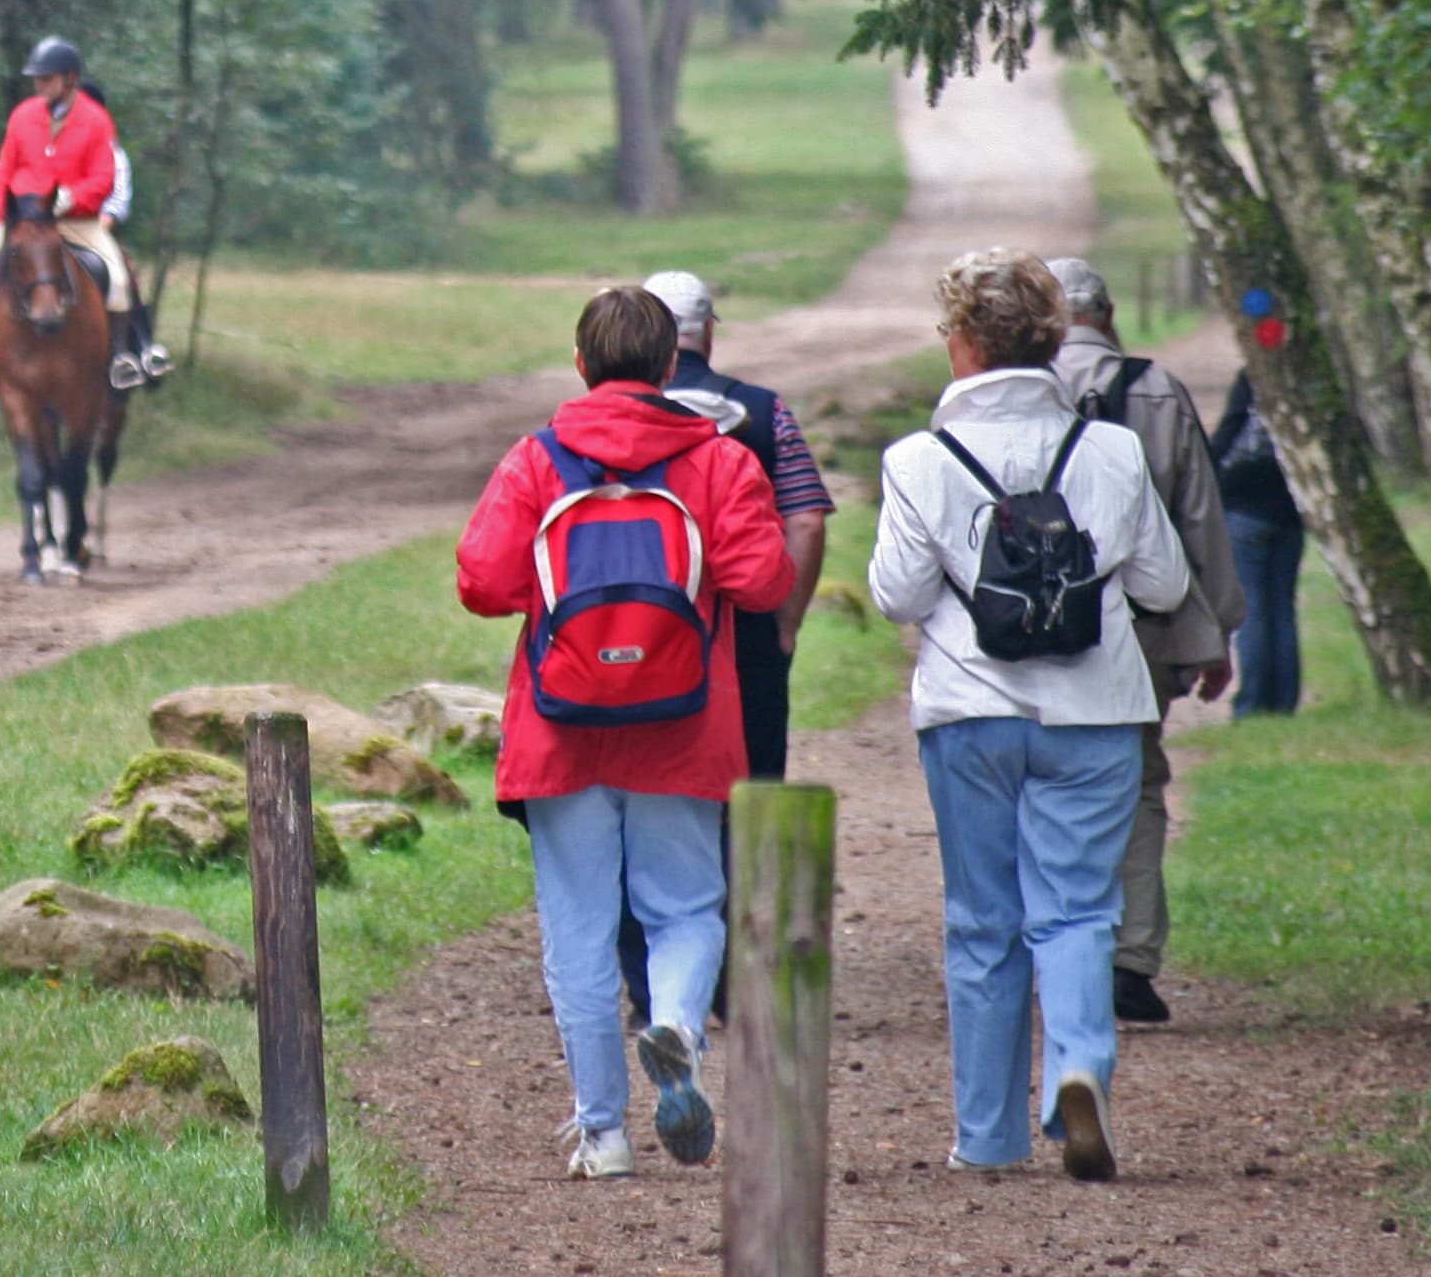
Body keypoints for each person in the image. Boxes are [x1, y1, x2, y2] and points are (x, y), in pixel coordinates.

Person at [456, 286, 796, 1180]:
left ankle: (602, 1135)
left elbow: (483, 584)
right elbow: (762, 583)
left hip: (559, 728)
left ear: (580, 364)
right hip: (684, 725)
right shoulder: (719, 461)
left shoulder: (537, 460)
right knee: (685, 908)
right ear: (667, 367)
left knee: (577, 928)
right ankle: (679, 1023)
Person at [871, 248, 1191, 1181]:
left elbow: (896, 595)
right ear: (1049, 340)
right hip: (1096, 709)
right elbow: (1165, 583)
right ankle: (1079, 1070)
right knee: (1082, 910)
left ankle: (987, 1135)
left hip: (971, 710)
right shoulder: (1114, 451)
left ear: (963, 343)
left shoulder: (918, 460)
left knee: (983, 921)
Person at [614, 269, 834, 1022]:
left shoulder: (604, 416)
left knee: (637, 796)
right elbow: (804, 520)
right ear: (709, 331)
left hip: (632, 644)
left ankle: (648, 978)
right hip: (744, 639)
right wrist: (787, 618)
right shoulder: (765, 414)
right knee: (749, 796)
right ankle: (737, 970)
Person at [1044, 257, 1246, 1026]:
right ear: (1109, 312)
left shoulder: (1014, 388)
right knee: (1132, 783)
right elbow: (1200, 514)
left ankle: (1050, 946)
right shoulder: (1155, 388)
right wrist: (1215, 629)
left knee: (1043, 782)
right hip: (1143, 627)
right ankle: (1129, 957)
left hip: (1028, 633)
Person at [0, 36, 149, 397]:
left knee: (116, 277)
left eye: (46, 78)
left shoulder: (96, 120)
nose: (38, 85)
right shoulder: (23, 116)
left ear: (69, 79)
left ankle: (119, 359)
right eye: (36, 79)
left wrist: (73, 199)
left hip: (77, 221)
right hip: (24, 221)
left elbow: (104, 178)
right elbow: (4, 169)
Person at [1210, 369, 1305, 716]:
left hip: (1245, 507)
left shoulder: (1254, 373)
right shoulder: (1308, 380)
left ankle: (1252, 704)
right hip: (1291, 509)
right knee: (1282, 609)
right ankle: (1284, 702)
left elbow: (1230, 431)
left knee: (1252, 609)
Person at [78, 77, 173, 382]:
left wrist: (103, 225)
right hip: (48, 229)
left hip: (95, 228)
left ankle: (133, 350)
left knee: (123, 274)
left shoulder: (113, 153)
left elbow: (118, 200)